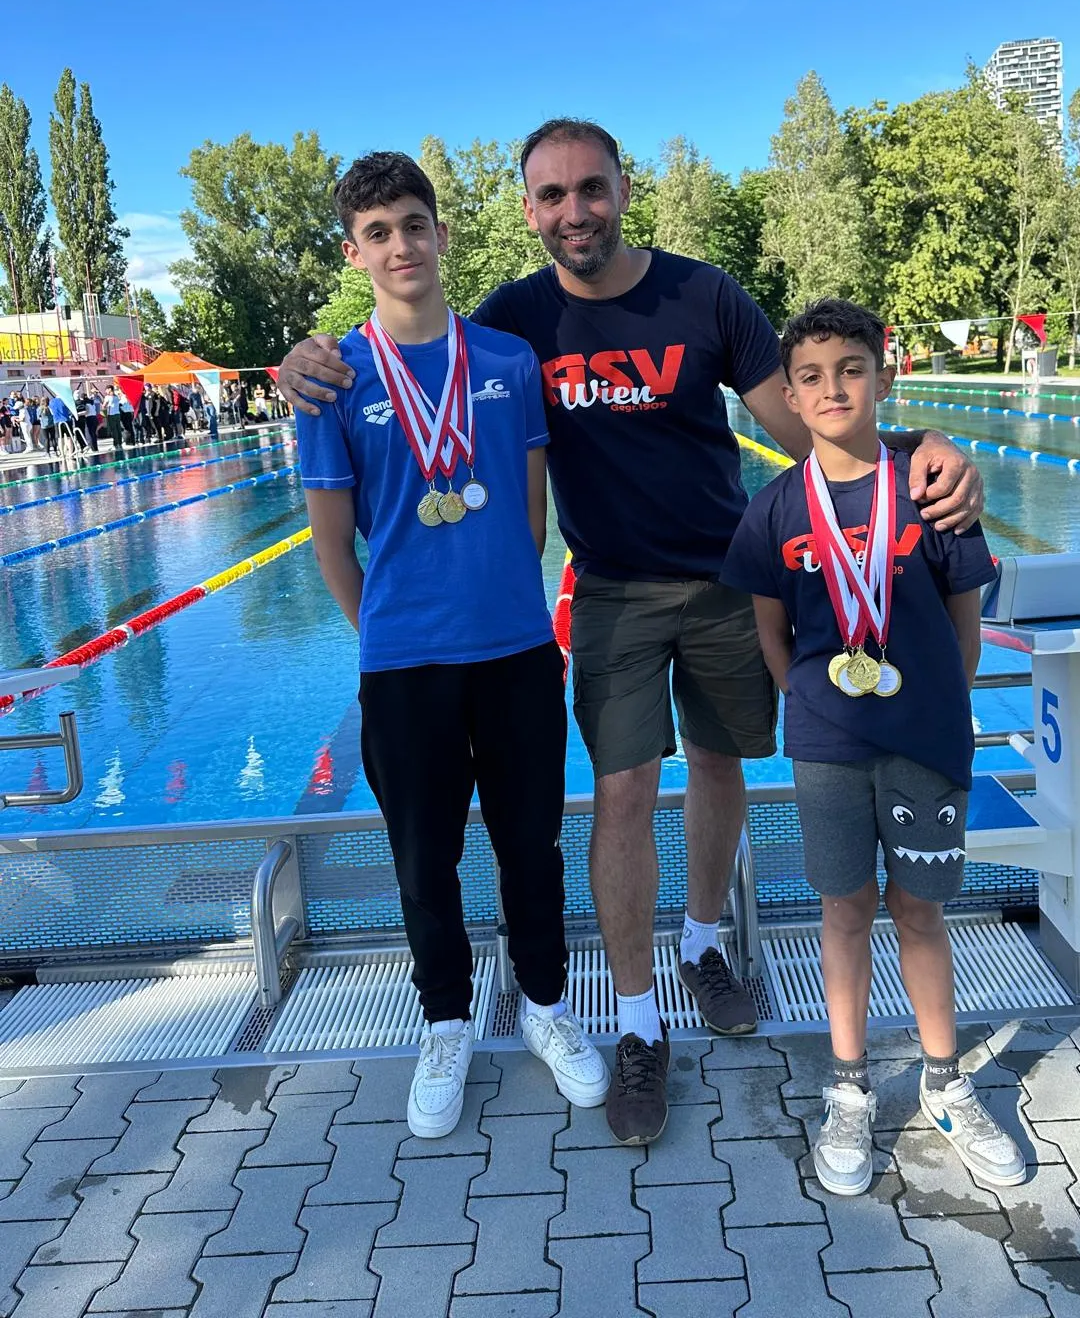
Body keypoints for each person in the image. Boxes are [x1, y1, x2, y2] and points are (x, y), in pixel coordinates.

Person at [276, 119, 983, 1146]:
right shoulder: (515, 322)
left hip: (726, 578)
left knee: (719, 763)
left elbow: (815, 428)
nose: (575, 212)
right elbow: (409, 344)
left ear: (621, 188)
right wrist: (301, 355)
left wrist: (926, 449)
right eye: (552, 196)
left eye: (591, 189)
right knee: (621, 793)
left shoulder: (705, 296)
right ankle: (640, 1023)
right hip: (609, 589)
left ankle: (702, 943)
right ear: (530, 211)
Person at [296, 150, 608, 1139]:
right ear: (355, 253)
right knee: (422, 860)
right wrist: (390, 629)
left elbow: (531, 513)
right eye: (378, 232)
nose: (401, 245)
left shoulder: (507, 361)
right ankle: (445, 1023)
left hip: (516, 651)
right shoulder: (334, 380)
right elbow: (331, 541)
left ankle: (547, 1006)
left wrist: (499, 600)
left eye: (413, 224)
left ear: (441, 232)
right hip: (404, 666)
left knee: (532, 845)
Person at [720, 297, 1024, 1196]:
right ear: (788, 396)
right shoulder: (774, 508)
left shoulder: (933, 493)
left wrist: (933, 704)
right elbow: (770, 632)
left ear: (884, 379)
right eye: (811, 377)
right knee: (844, 911)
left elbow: (965, 627)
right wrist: (811, 701)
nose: (833, 389)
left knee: (921, 911)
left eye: (852, 369)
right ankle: (849, 1087)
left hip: (925, 740)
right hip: (827, 746)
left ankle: (944, 1081)